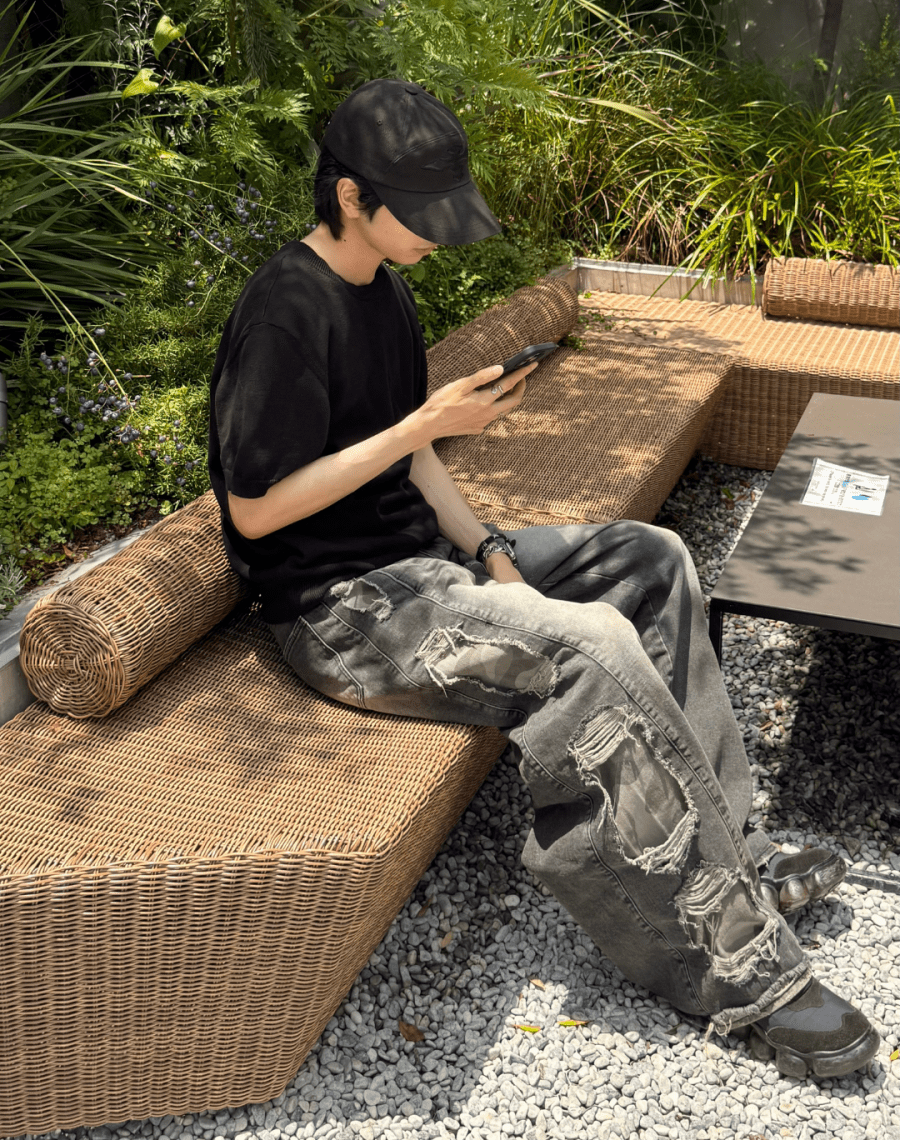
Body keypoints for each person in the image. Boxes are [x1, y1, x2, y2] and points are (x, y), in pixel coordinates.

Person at [208, 78, 879, 1079]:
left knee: (651, 559)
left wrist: (491, 553)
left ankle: (734, 853)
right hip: (345, 613)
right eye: (421, 213)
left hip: (429, 571)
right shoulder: (283, 313)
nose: (437, 235)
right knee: (591, 649)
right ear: (350, 196)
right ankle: (742, 971)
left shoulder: (385, 289)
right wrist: (424, 426)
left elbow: (413, 457)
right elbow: (256, 509)